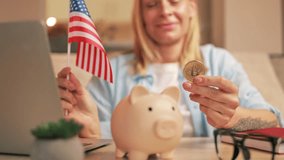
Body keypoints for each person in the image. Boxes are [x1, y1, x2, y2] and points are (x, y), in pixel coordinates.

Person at [57, 0, 283, 138]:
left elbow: (272, 121)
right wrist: (92, 129)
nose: (165, 10)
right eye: (152, 4)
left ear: (191, 7)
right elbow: (94, 132)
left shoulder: (220, 61)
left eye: (174, 0)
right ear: (141, 15)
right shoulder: (111, 72)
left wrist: (235, 119)